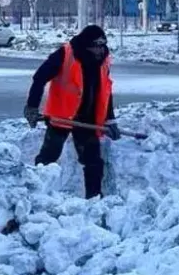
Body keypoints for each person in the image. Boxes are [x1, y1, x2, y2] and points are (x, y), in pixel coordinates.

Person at [23, 24, 121, 199]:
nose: (100, 50)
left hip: (88, 119)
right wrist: (32, 106)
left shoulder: (104, 60)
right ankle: (33, 194)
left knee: (93, 162)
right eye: (96, 46)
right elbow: (39, 77)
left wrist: (110, 120)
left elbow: (106, 90)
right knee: (48, 157)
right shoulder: (65, 55)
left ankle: (94, 202)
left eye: (102, 46)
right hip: (62, 116)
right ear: (86, 45)